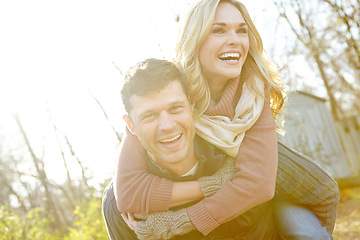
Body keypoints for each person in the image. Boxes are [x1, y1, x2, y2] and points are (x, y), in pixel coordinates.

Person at [106, 0, 339, 239]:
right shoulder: (168, 89)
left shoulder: (254, 94)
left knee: (302, 224)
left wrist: (179, 220)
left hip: (296, 191)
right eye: (218, 30)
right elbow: (126, 194)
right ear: (195, 38)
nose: (235, 40)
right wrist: (214, 184)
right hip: (234, 195)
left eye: (241, 30)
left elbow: (260, 184)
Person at [103, 58, 279, 239]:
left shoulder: (245, 158)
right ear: (131, 125)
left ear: (191, 105)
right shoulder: (122, 209)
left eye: (175, 108)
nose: (167, 125)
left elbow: (305, 189)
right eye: (149, 116)